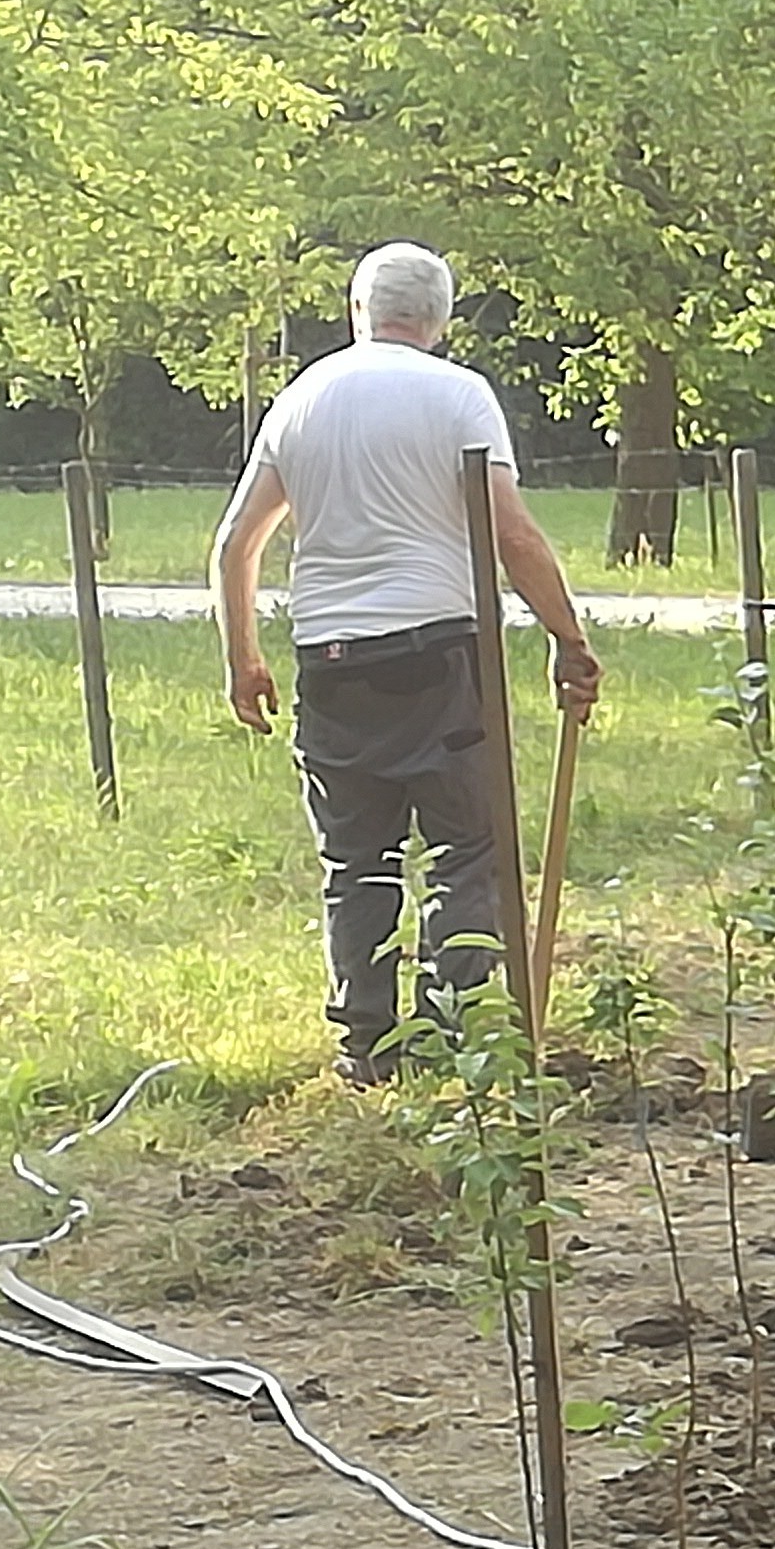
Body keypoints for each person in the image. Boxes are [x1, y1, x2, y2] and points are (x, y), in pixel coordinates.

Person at [213, 243, 600, 1084]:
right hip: (440, 657)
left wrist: (242, 658)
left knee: (356, 864)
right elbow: (513, 533)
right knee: (468, 845)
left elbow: (236, 543)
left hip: (331, 661)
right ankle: (454, 1035)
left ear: (357, 313)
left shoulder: (301, 400)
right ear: (440, 320)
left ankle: (367, 1051)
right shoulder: (460, 396)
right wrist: (567, 638)